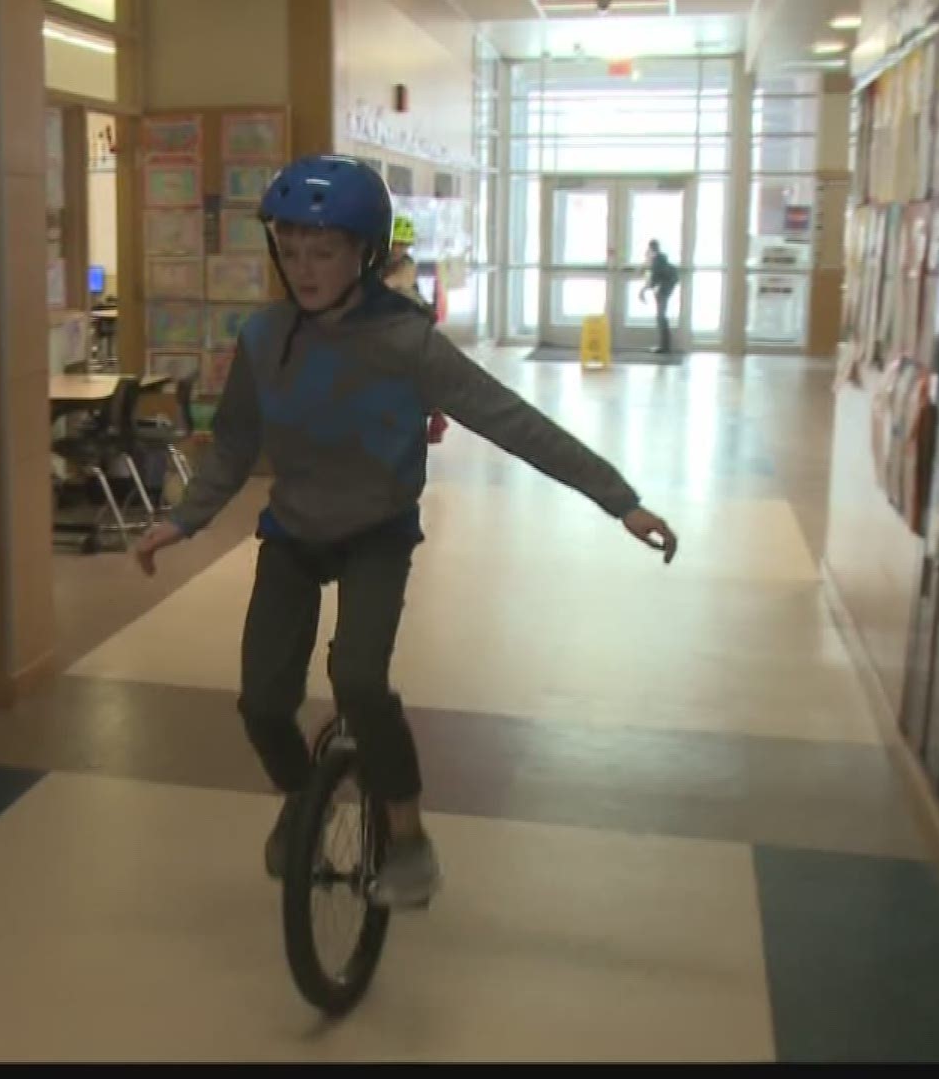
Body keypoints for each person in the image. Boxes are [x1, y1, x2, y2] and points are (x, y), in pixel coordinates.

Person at [131, 156, 677, 908]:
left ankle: (411, 839)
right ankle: (303, 797)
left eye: (323, 251)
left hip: (376, 533)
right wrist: (181, 520)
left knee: (358, 680)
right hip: (292, 532)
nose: (306, 269)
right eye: (291, 252)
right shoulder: (264, 337)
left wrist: (622, 502)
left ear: (365, 252)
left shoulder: (407, 344)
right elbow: (232, 443)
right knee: (262, 702)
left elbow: (513, 422)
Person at [384, 212, 449, 445]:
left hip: (409, 319)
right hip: (389, 322)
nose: (397, 249)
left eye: (402, 245)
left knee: (421, 371)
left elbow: (396, 288)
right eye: (394, 244)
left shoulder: (406, 266)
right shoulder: (376, 262)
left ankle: (435, 413)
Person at [639, 239, 681, 354]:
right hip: (666, 285)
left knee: (661, 316)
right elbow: (652, 276)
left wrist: (642, 291)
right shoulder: (659, 258)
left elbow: (653, 280)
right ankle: (665, 346)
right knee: (661, 315)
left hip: (665, 286)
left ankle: (665, 346)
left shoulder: (658, 259)